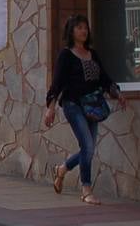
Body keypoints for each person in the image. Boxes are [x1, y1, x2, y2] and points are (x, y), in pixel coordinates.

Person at [43, 14, 125, 205]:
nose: (84, 31)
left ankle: (62, 169)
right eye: (79, 27)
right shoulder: (66, 55)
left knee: (88, 149)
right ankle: (86, 190)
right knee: (87, 146)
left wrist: (117, 92)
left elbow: (104, 79)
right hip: (73, 105)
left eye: (85, 27)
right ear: (72, 31)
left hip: (93, 106)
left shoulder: (93, 54)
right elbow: (57, 84)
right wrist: (51, 108)